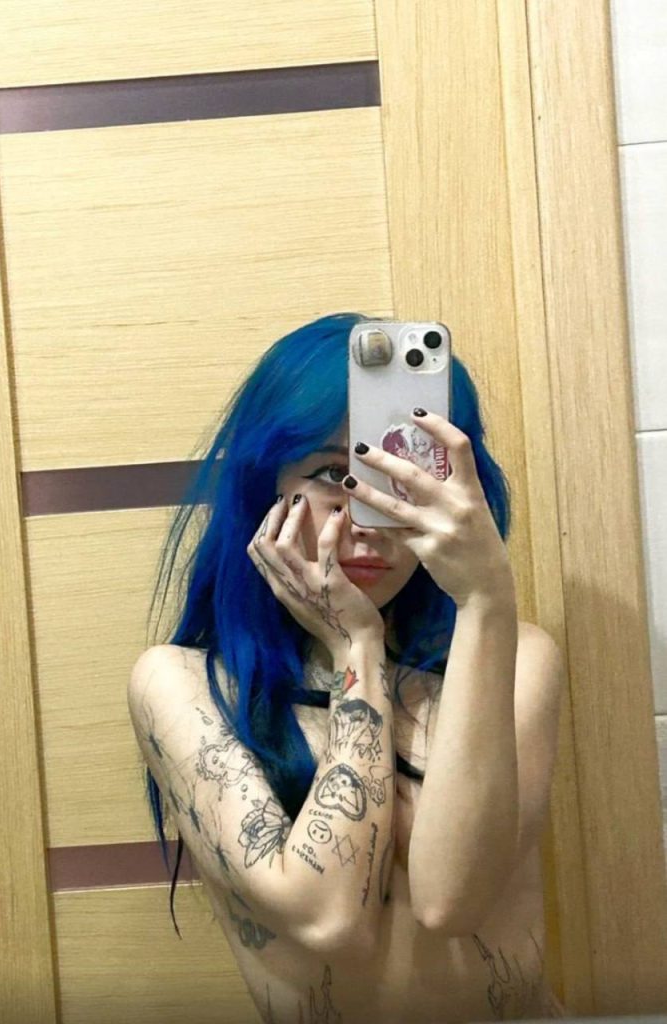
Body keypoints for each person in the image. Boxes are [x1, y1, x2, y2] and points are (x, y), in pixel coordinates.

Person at [127, 312, 568, 1023]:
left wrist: (486, 599)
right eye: (336, 474)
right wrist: (354, 646)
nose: (367, 519)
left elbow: (450, 901)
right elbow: (331, 920)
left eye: (401, 475)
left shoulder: (514, 660)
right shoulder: (184, 685)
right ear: (264, 488)